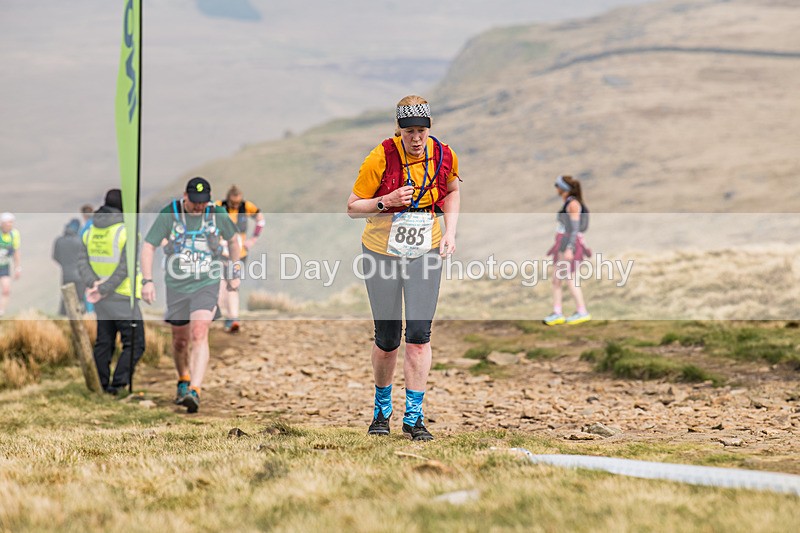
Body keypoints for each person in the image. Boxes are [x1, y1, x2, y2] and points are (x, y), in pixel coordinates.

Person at [346, 95, 461, 441]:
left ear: (429, 129)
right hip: (381, 252)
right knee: (387, 338)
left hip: (425, 249)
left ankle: (414, 417)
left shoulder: (443, 154)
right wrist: (386, 201)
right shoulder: (380, 156)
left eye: (422, 131)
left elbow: (452, 190)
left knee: (418, 336)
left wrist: (450, 233)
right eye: (409, 131)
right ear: (398, 130)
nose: (416, 138)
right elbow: (352, 208)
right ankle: (382, 410)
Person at [141, 177, 241, 413]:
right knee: (179, 341)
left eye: (203, 202)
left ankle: (194, 390)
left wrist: (234, 270)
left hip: (207, 282)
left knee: (199, 331)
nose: (199, 206)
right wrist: (147, 281)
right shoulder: (170, 214)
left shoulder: (216, 213)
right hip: (176, 285)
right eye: (195, 202)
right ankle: (183, 378)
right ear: (185, 196)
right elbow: (148, 246)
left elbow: (233, 240)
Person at [77, 190, 145, 394]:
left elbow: (82, 262)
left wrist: (95, 285)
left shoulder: (90, 231)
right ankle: (118, 384)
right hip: (123, 296)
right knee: (135, 343)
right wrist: (106, 288)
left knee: (104, 342)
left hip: (100, 297)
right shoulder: (126, 232)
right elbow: (126, 267)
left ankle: (101, 385)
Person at [216, 185, 265, 333]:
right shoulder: (218, 206)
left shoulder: (247, 206)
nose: (236, 206)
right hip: (220, 252)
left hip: (240, 253)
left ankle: (233, 318)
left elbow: (261, 220)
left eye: (238, 203)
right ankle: (225, 314)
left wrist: (253, 239)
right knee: (220, 285)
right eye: (233, 203)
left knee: (233, 284)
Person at [544, 175, 592, 326]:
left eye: (557, 185)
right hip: (563, 243)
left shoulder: (573, 204)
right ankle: (557, 312)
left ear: (563, 188)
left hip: (569, 244)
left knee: (570, 278)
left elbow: (575, 229)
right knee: (557, 279)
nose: (556, 189)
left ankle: (582, 311)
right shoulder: (568, 203)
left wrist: (570, 248)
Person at [52, 218, 86, 315]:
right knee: (79, 299)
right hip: (80, 276)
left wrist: (65, 265)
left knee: (65, 299)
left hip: (66, 275)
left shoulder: (59, 241)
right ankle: (79, 319)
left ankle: (63, 317)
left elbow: (55, 257)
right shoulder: (80, 241)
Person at [0, 212, 22, 317]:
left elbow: (16, 251)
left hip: (4, 265)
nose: (10, 224)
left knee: (6, 289)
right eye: (8, 222)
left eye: (11, 222)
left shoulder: (14, 234)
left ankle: (1, 312)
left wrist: (17, 268)